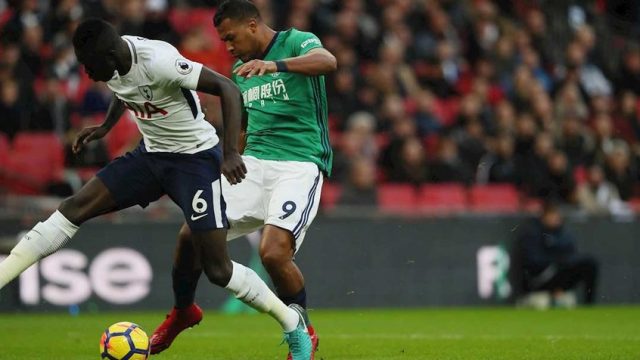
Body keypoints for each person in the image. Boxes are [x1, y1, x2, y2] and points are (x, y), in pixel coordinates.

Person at [0, 18, 313, 359]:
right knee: (73, 209)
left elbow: (228, 89)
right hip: (150, 157)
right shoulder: (114, 63)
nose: (88, 75)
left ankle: (291, 322)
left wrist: (231, 152)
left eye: (90, 67)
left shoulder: (159, 60)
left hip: (195, 162)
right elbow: (126, 89)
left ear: (109, 54)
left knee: (218, 270)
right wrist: (107, 126)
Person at [150, 1, 336, 358]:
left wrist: (275, 64)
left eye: (231, 37)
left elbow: (328, 62)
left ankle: (304, 331)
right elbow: (246, 127)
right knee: (191, 235)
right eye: (223, 41)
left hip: (298, 165)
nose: (229, 47)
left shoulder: (297, 41)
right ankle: (182, 312)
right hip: (252, 165)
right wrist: (232, 155)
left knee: (273, 253)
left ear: (252, 25)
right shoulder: (239, 71)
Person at [517, 202, 599, 305]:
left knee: (589, 264)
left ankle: (589, 304)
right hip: (541, 277)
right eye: (551, 215)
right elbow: (533, 261)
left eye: (557, 215)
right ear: (544, 216)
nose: (555, 219)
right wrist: (556, 259)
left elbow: (571, 254)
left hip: (560, 273)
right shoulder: (534, 232)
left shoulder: (563, 233)